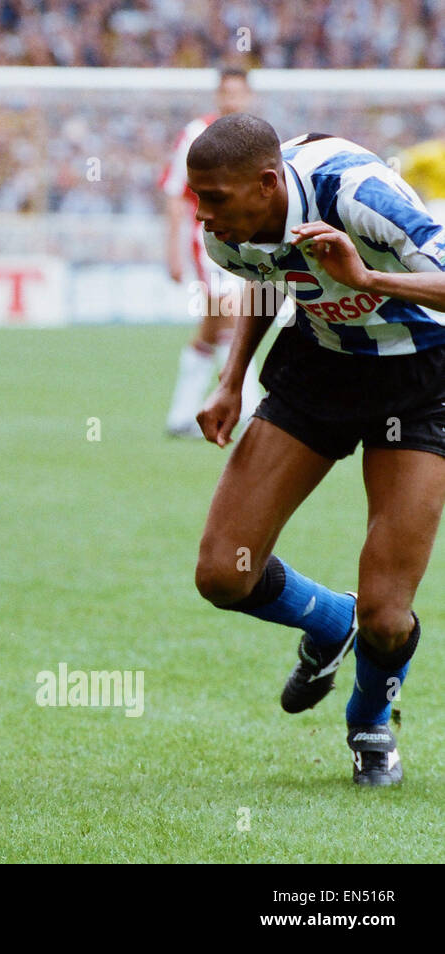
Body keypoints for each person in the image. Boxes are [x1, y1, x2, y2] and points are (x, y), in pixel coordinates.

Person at [190, 113, 445, 786]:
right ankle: (331, 622)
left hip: (421, 377)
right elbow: (265, 277)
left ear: (268, 183)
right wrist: (231, 380)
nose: (203, 217)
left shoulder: (357, 193)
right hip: (320, 369)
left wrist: (367, 280)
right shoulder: (230, 233)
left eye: (214, 199)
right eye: (197, 198)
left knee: (387, 617)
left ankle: (370, 723)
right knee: (223, 573)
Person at [160, 68, 264, 437]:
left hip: (249, 239)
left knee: (212, 327)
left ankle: (181, 415)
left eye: (239, 92)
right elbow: (175, 194)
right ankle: (250, 408)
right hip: (209, 240)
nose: (232, 99)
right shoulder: (196, 133)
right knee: (234, 315)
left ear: (249, 96)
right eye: (226, 92)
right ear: (218, 96)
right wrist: (173, 250)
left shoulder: (257, 137)